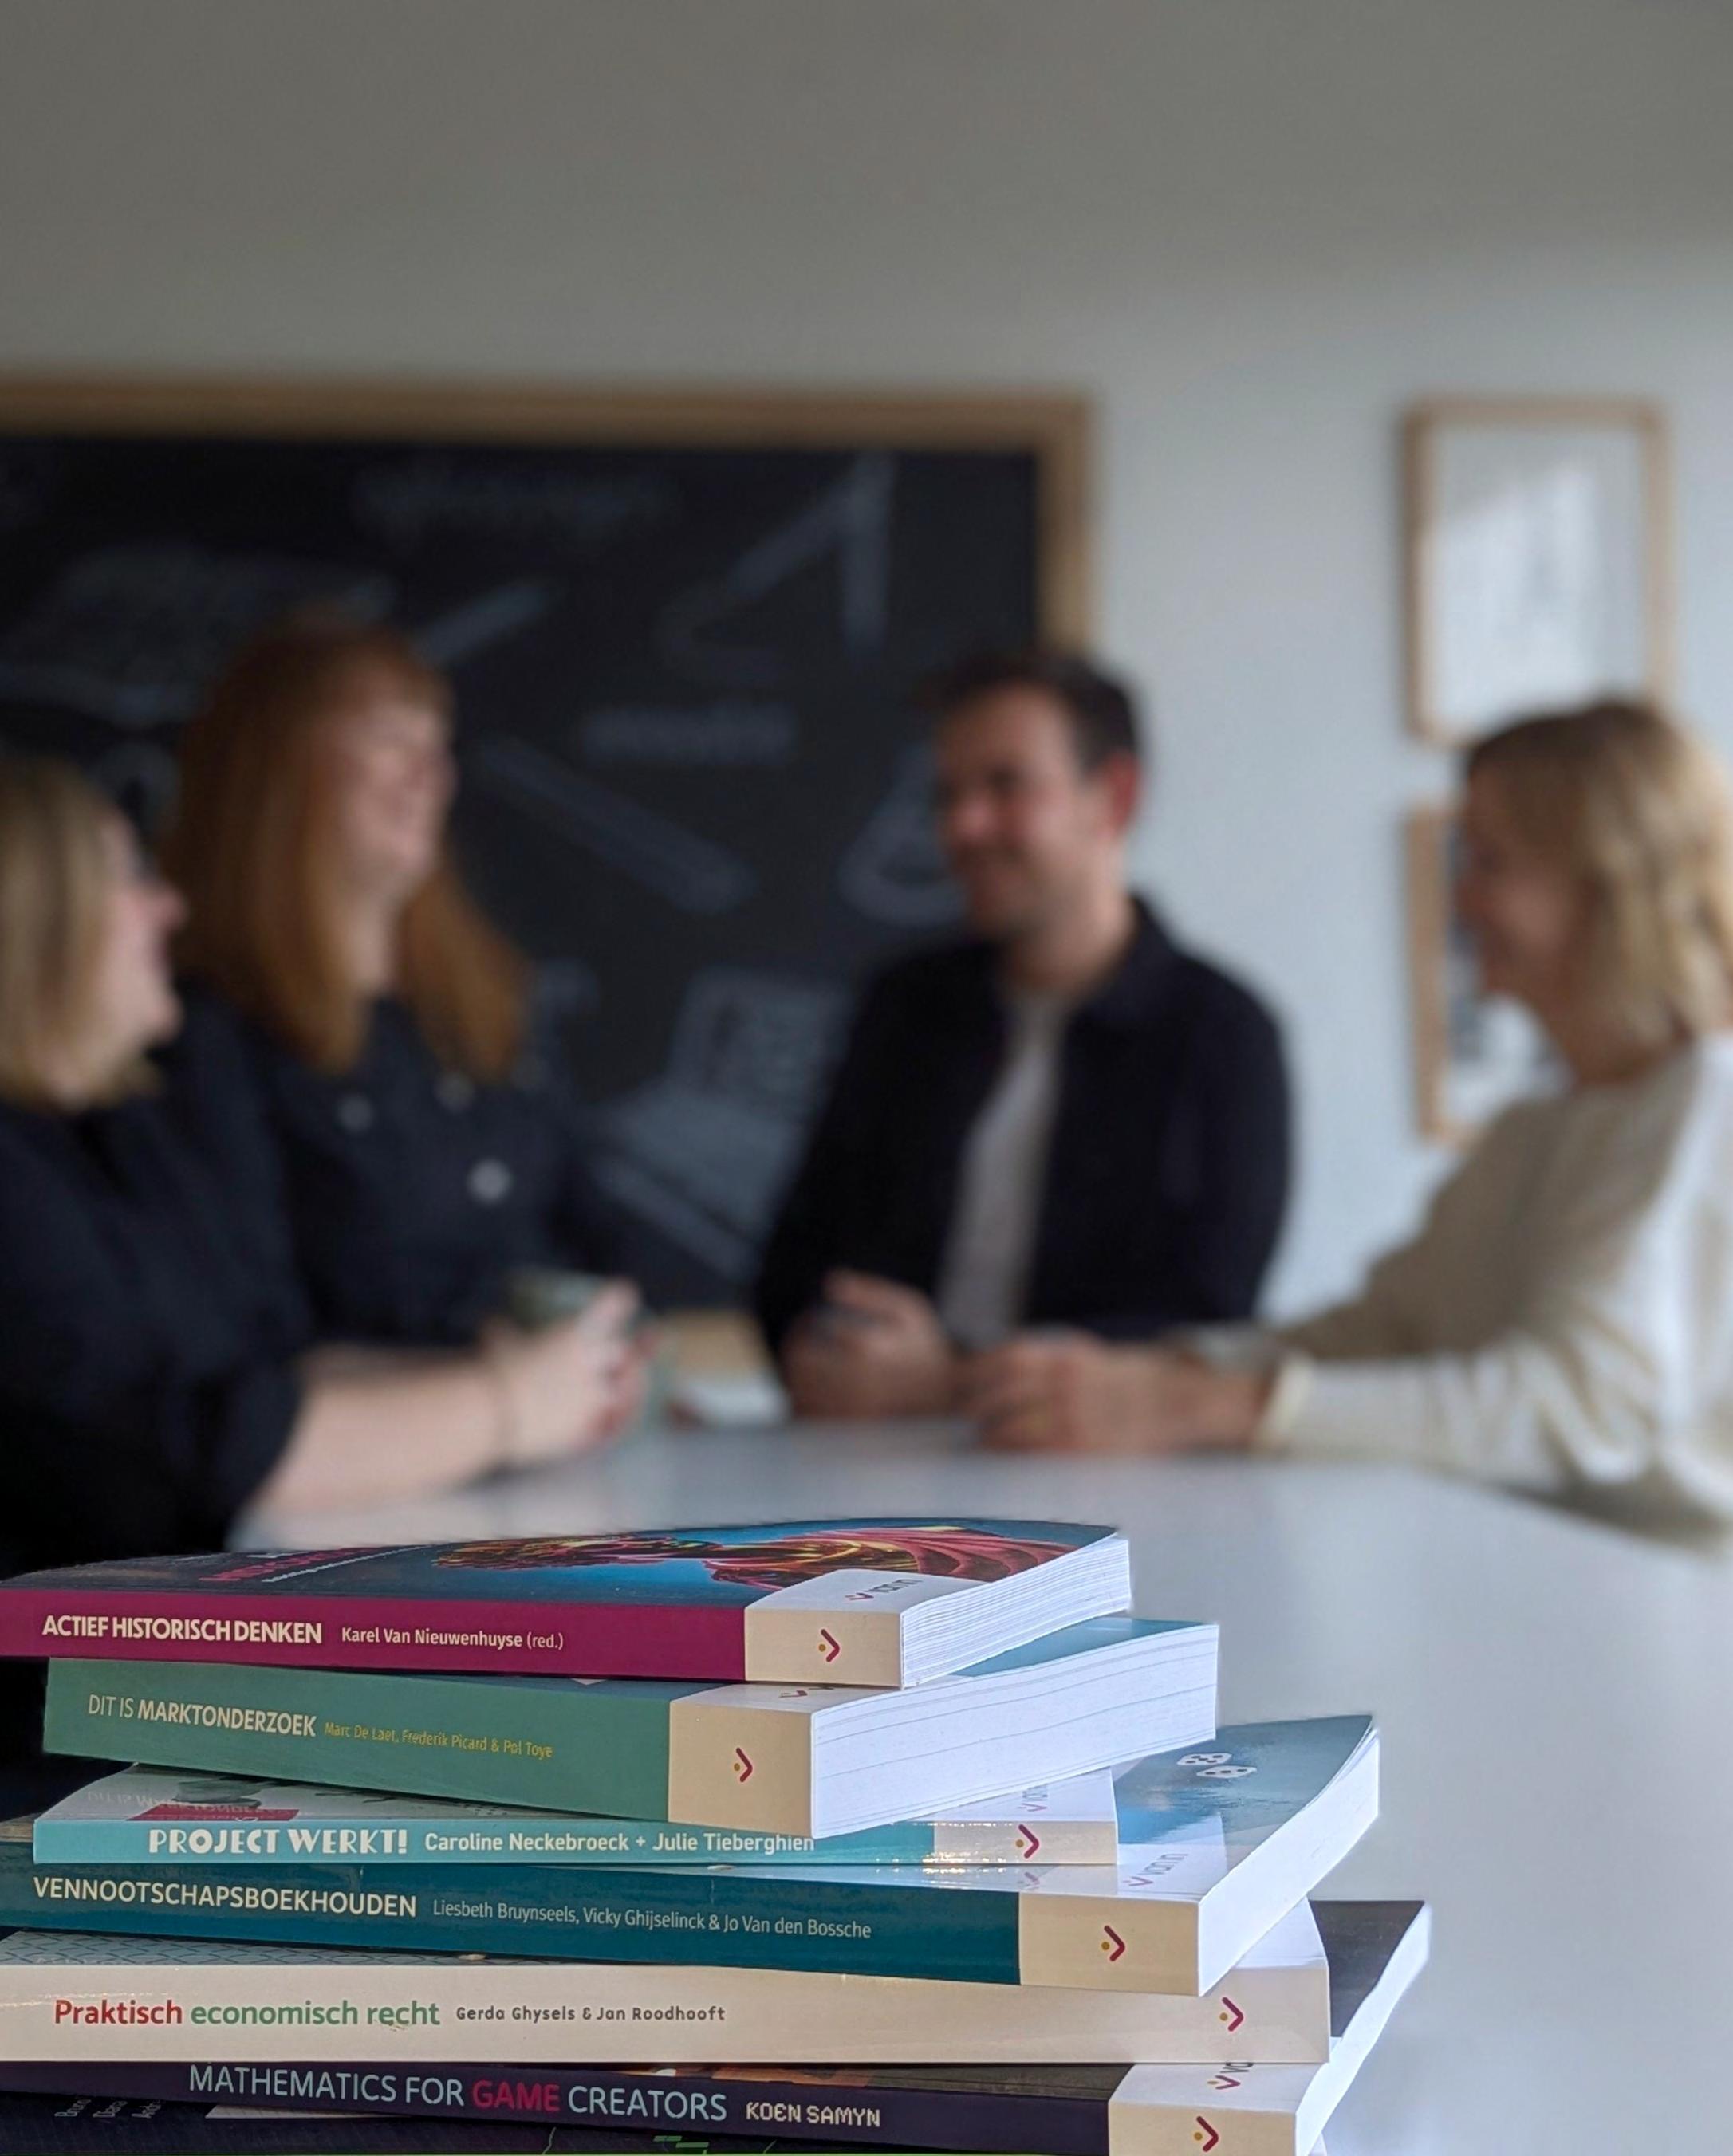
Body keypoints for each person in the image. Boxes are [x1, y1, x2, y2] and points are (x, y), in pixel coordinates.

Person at [0, 757, 637, 1801]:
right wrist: (513, 1403)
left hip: (165, 1708)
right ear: (38, 924)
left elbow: (272, 1365)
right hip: (64, 1763)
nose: (169, 909)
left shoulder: (124, 1134)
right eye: (129, 877)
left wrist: (523, 1382)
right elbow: (214, 1452)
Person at [963, 698, 1733, 1529]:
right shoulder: (1538, 1127)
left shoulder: (1706, 1101)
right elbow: (1385, 1329)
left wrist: (1200, 1404)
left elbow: (1578, 1405)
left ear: (1605, 883)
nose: (1461, 901)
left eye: (1490, 862)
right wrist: (1141, 1375)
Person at [755, 649, 1291, 1418]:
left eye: (1005, 786)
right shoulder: (901, 1008)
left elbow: (1206, 1322)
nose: (962, 826)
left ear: (1113, 797)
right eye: (948, 795)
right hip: (868, 1457)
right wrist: (829, 1343)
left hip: (1107, 1470)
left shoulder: (1225, 1034)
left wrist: (950, 1380)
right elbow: (790, 1270)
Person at [165, 612, 632, 1349]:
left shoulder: (485, 1002)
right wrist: (490, 1388)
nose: (430, 775)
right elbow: (247, 1336)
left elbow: (593, 1232)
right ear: (278, 767)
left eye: (436, 745)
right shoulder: (206, 1032)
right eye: (389, 738)